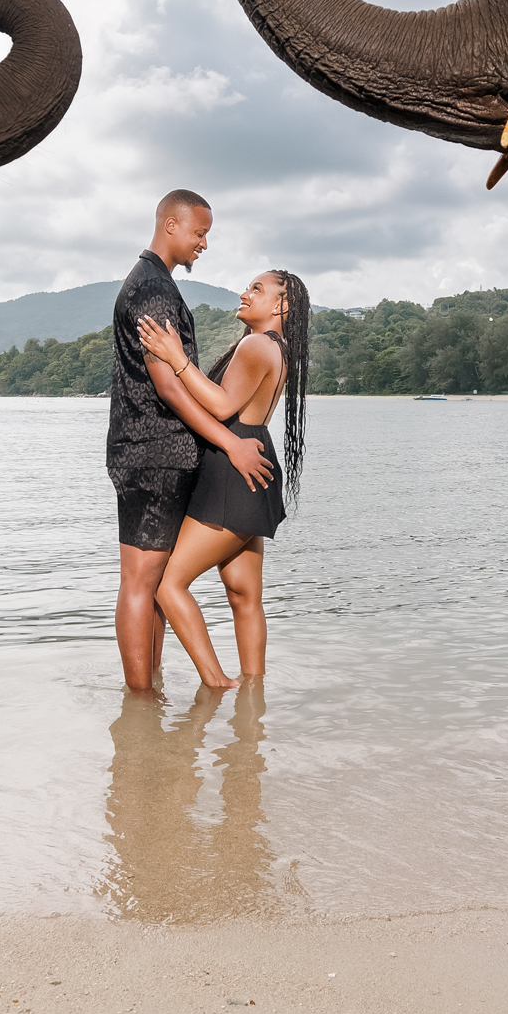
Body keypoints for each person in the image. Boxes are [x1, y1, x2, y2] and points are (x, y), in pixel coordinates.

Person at [108, 190, 273, 690]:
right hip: (152, 452)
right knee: (142, 581)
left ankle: (149, 697)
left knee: (155, 581)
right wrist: (231, 443)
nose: (204, 243)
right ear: (171, 225)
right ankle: (141, 702)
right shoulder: (154, 290)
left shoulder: (156, 285)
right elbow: (169, 388)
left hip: (157, 451)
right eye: (200, 232)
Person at [135, 268, 310, 689]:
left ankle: (217, 683)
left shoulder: (256, 344)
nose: (244, 294)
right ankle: (253, 694)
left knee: (168, 585)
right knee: (244, 595)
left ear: (282, 304)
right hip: (254, 466)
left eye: (257, 289)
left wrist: (175, 357)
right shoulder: (278, 348)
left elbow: (221, 405)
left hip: (234, 474)